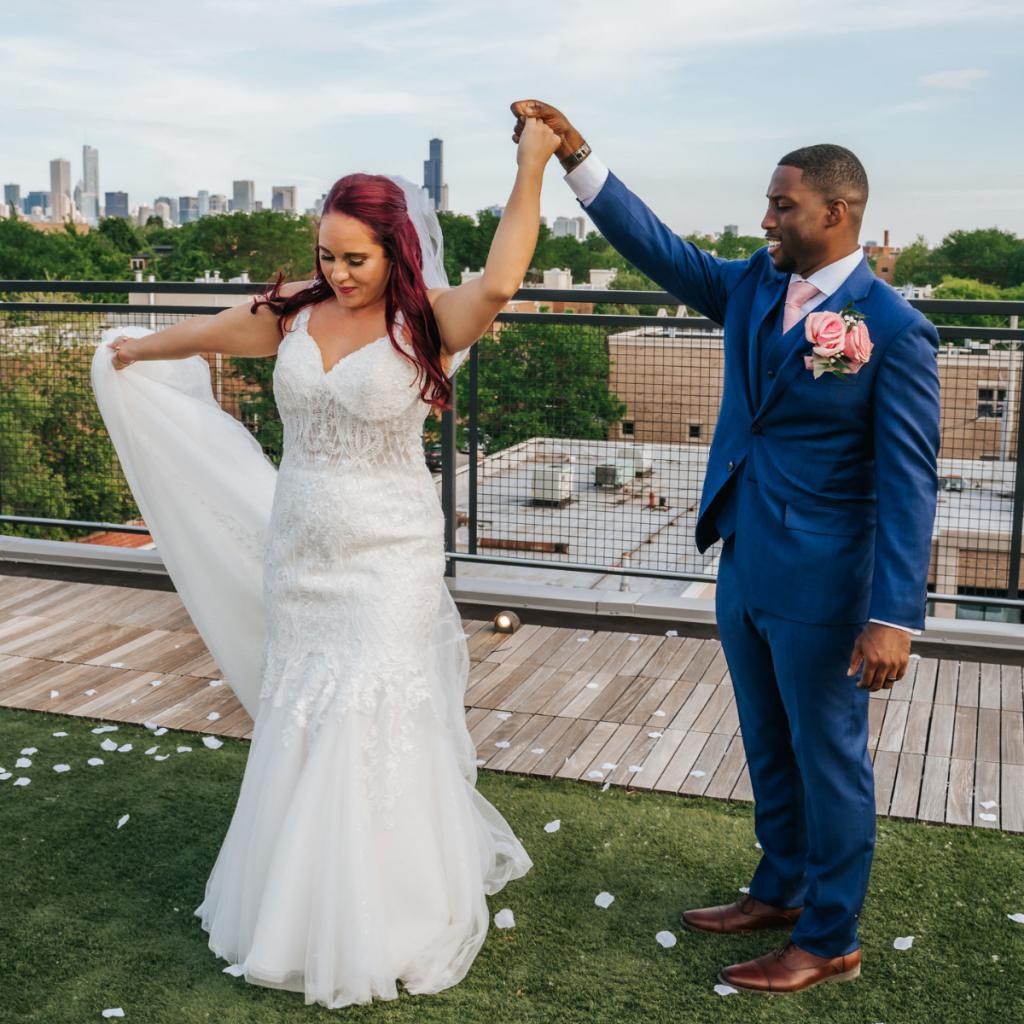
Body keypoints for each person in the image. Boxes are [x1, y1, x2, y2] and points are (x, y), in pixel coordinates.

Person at [91, 116, 561, 1008]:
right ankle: (294, 905)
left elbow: (501, 277)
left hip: (389, 553)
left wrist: (530, 162)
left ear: (396, 251)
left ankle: (390, 913)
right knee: (303, 707)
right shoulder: (297, 312)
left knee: (367, 710)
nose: (337, 273)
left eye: (355, 258)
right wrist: (138, 349)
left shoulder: (428, 322)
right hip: (300, 545)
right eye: (327, 254)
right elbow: (214, 333)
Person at [510, 100, 940, 995]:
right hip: (743, 559)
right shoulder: (751, 284)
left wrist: (892, 615)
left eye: (783, 206)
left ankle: (830, 937)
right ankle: (781, 888)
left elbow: (907, 485)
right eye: (769, 204)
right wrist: (578, 158)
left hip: (826, 584)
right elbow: (661, 250)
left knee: (830, 758)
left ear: (837, 213)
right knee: (766, 739)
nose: (766, 219)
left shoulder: (893, 332)